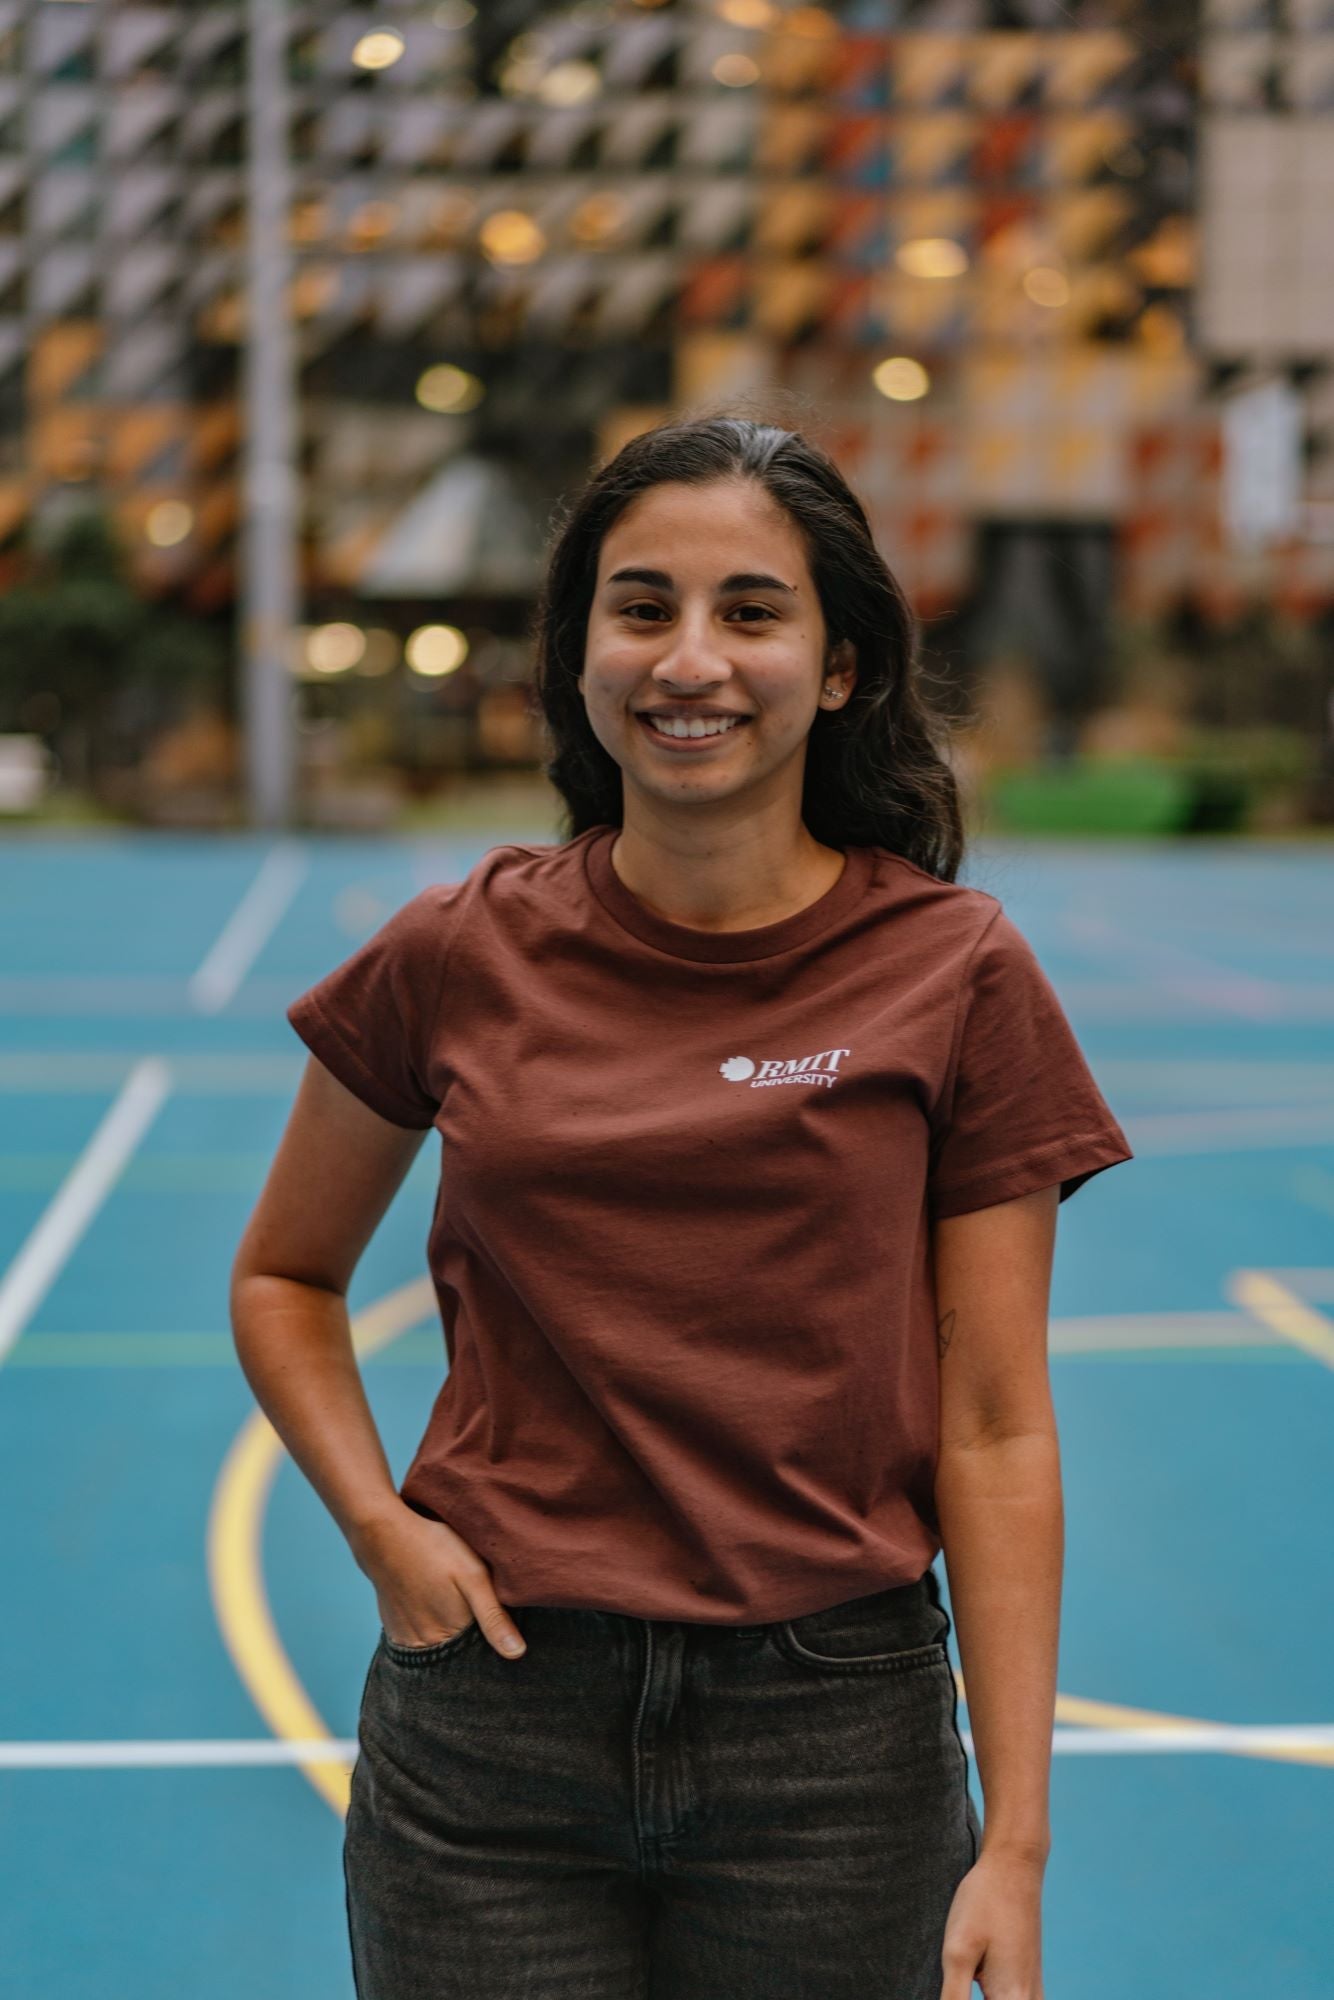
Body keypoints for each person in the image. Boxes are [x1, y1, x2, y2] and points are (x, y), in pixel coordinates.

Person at [231, 411, 1134, 2000]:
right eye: (641, 608)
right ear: (579, 652)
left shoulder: (956, 970)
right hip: (492, 1728)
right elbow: (284, 1275)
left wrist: (1019, 1845)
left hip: (833, 1747)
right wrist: (379, 1529)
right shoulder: (456, 950)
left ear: (840, 667)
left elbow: (994, 1425)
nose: (690, 659)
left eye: (750, 612)